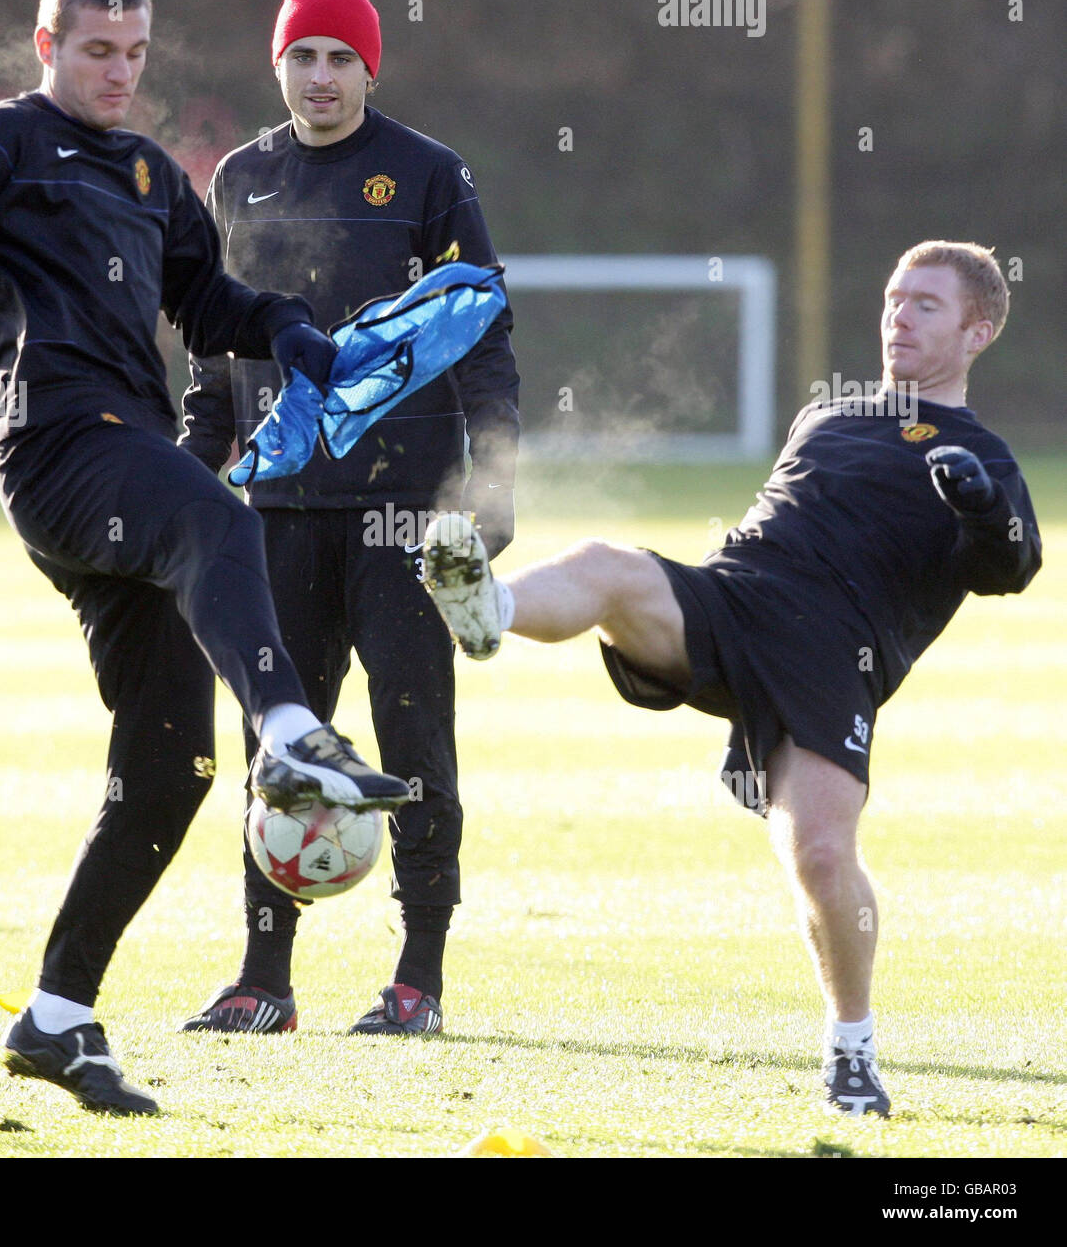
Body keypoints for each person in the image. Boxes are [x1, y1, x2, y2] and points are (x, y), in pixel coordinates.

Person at [0, 0, 410, 1116]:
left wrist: (286, 328)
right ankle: (291, 727)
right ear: (47, 46)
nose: (118, 72)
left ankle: (56, 1015)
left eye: (134, 53)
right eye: (97, 51)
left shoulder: (147, 172)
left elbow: (208, 301)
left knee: (169, 770)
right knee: (214, 515)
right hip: (55, 450)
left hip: (126, 455)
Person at [420, 241, 1040, 1114]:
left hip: (833, 658)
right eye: (895, 298)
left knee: (820, 855)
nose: (899, 315)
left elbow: (1009, 566)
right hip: (735, 600)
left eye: (926, 305)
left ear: (978, 331)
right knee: (609, 565)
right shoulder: (827, 417)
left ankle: (852, 1051)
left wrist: (982, 506)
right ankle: (490, 608)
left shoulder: (984, 454)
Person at [179, 0, 519, 1037]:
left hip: (402, 516)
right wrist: (193, 476)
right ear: (276, 64)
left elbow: (481, 334)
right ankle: (262, 979)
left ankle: (416, 978)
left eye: (339, 58)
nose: (320, 77)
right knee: (278, 745)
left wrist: (491, 480)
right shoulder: (237, 178)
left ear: (371, 66)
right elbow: (210, 353)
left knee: (413, 738)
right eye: (302, 57)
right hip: (274, 512)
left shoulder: (426, 176)